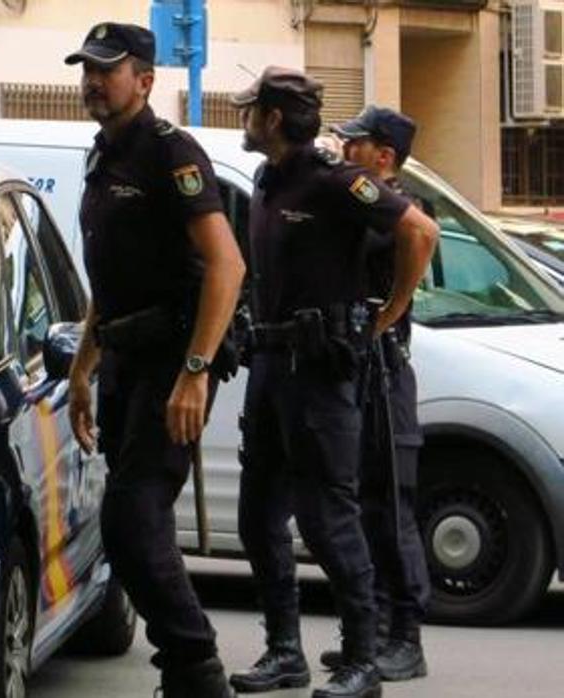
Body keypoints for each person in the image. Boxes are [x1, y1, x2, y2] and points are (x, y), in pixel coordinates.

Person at [227, 67, 438, 698]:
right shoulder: (268, 180)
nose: (244, 119)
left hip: (319, 377)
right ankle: (284, 652)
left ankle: (363, 661)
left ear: (272, 119)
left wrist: (392, 309)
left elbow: (419, 231)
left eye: (250, 110)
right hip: (269, 368)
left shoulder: (334, 181)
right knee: (257, 517)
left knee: (330, 520)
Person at [63, 22, 246, 698]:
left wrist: (194, 373)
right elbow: (106, 285)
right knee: (136, 525)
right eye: (85, 68)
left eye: (106, 69)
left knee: (131, 521)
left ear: (144, 79)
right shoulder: (101, 157)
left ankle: (196, 672)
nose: (91, 80)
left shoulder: (170, 152)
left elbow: (227, 264)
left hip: (172, 363)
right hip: (124, 362)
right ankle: (186, 675)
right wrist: (83, 368)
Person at [317, 105, 432, 682]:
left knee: (389, 503)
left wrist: (391, 312)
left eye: (355, 143)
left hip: (384, 370)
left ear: (383, 156)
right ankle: (373, 629)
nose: (343, 148)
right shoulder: (352, 199)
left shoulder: (404, 208)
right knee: (358, 504)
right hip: (353, 367)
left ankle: (405, 637)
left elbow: (420, 241)